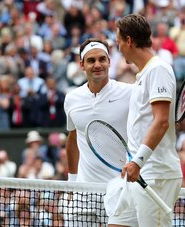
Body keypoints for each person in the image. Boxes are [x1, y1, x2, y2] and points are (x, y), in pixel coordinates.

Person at [112, 14, 183, 227]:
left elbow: (161, 122)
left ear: (129, 41)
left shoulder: (158, 69)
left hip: (155, 175)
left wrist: (137, 161)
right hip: (139, 175)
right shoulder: (143, 74)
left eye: (119, 42)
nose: (119, 48)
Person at [63, 37, 132, 225]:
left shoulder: (130, 93)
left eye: (102, 59)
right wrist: (72, 181)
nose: (97, 65)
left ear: (109, 62)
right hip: (84, 193)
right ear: (82, 65)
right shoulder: (72, 99)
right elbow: (73, 137)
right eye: (91, 61)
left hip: (120, 191)